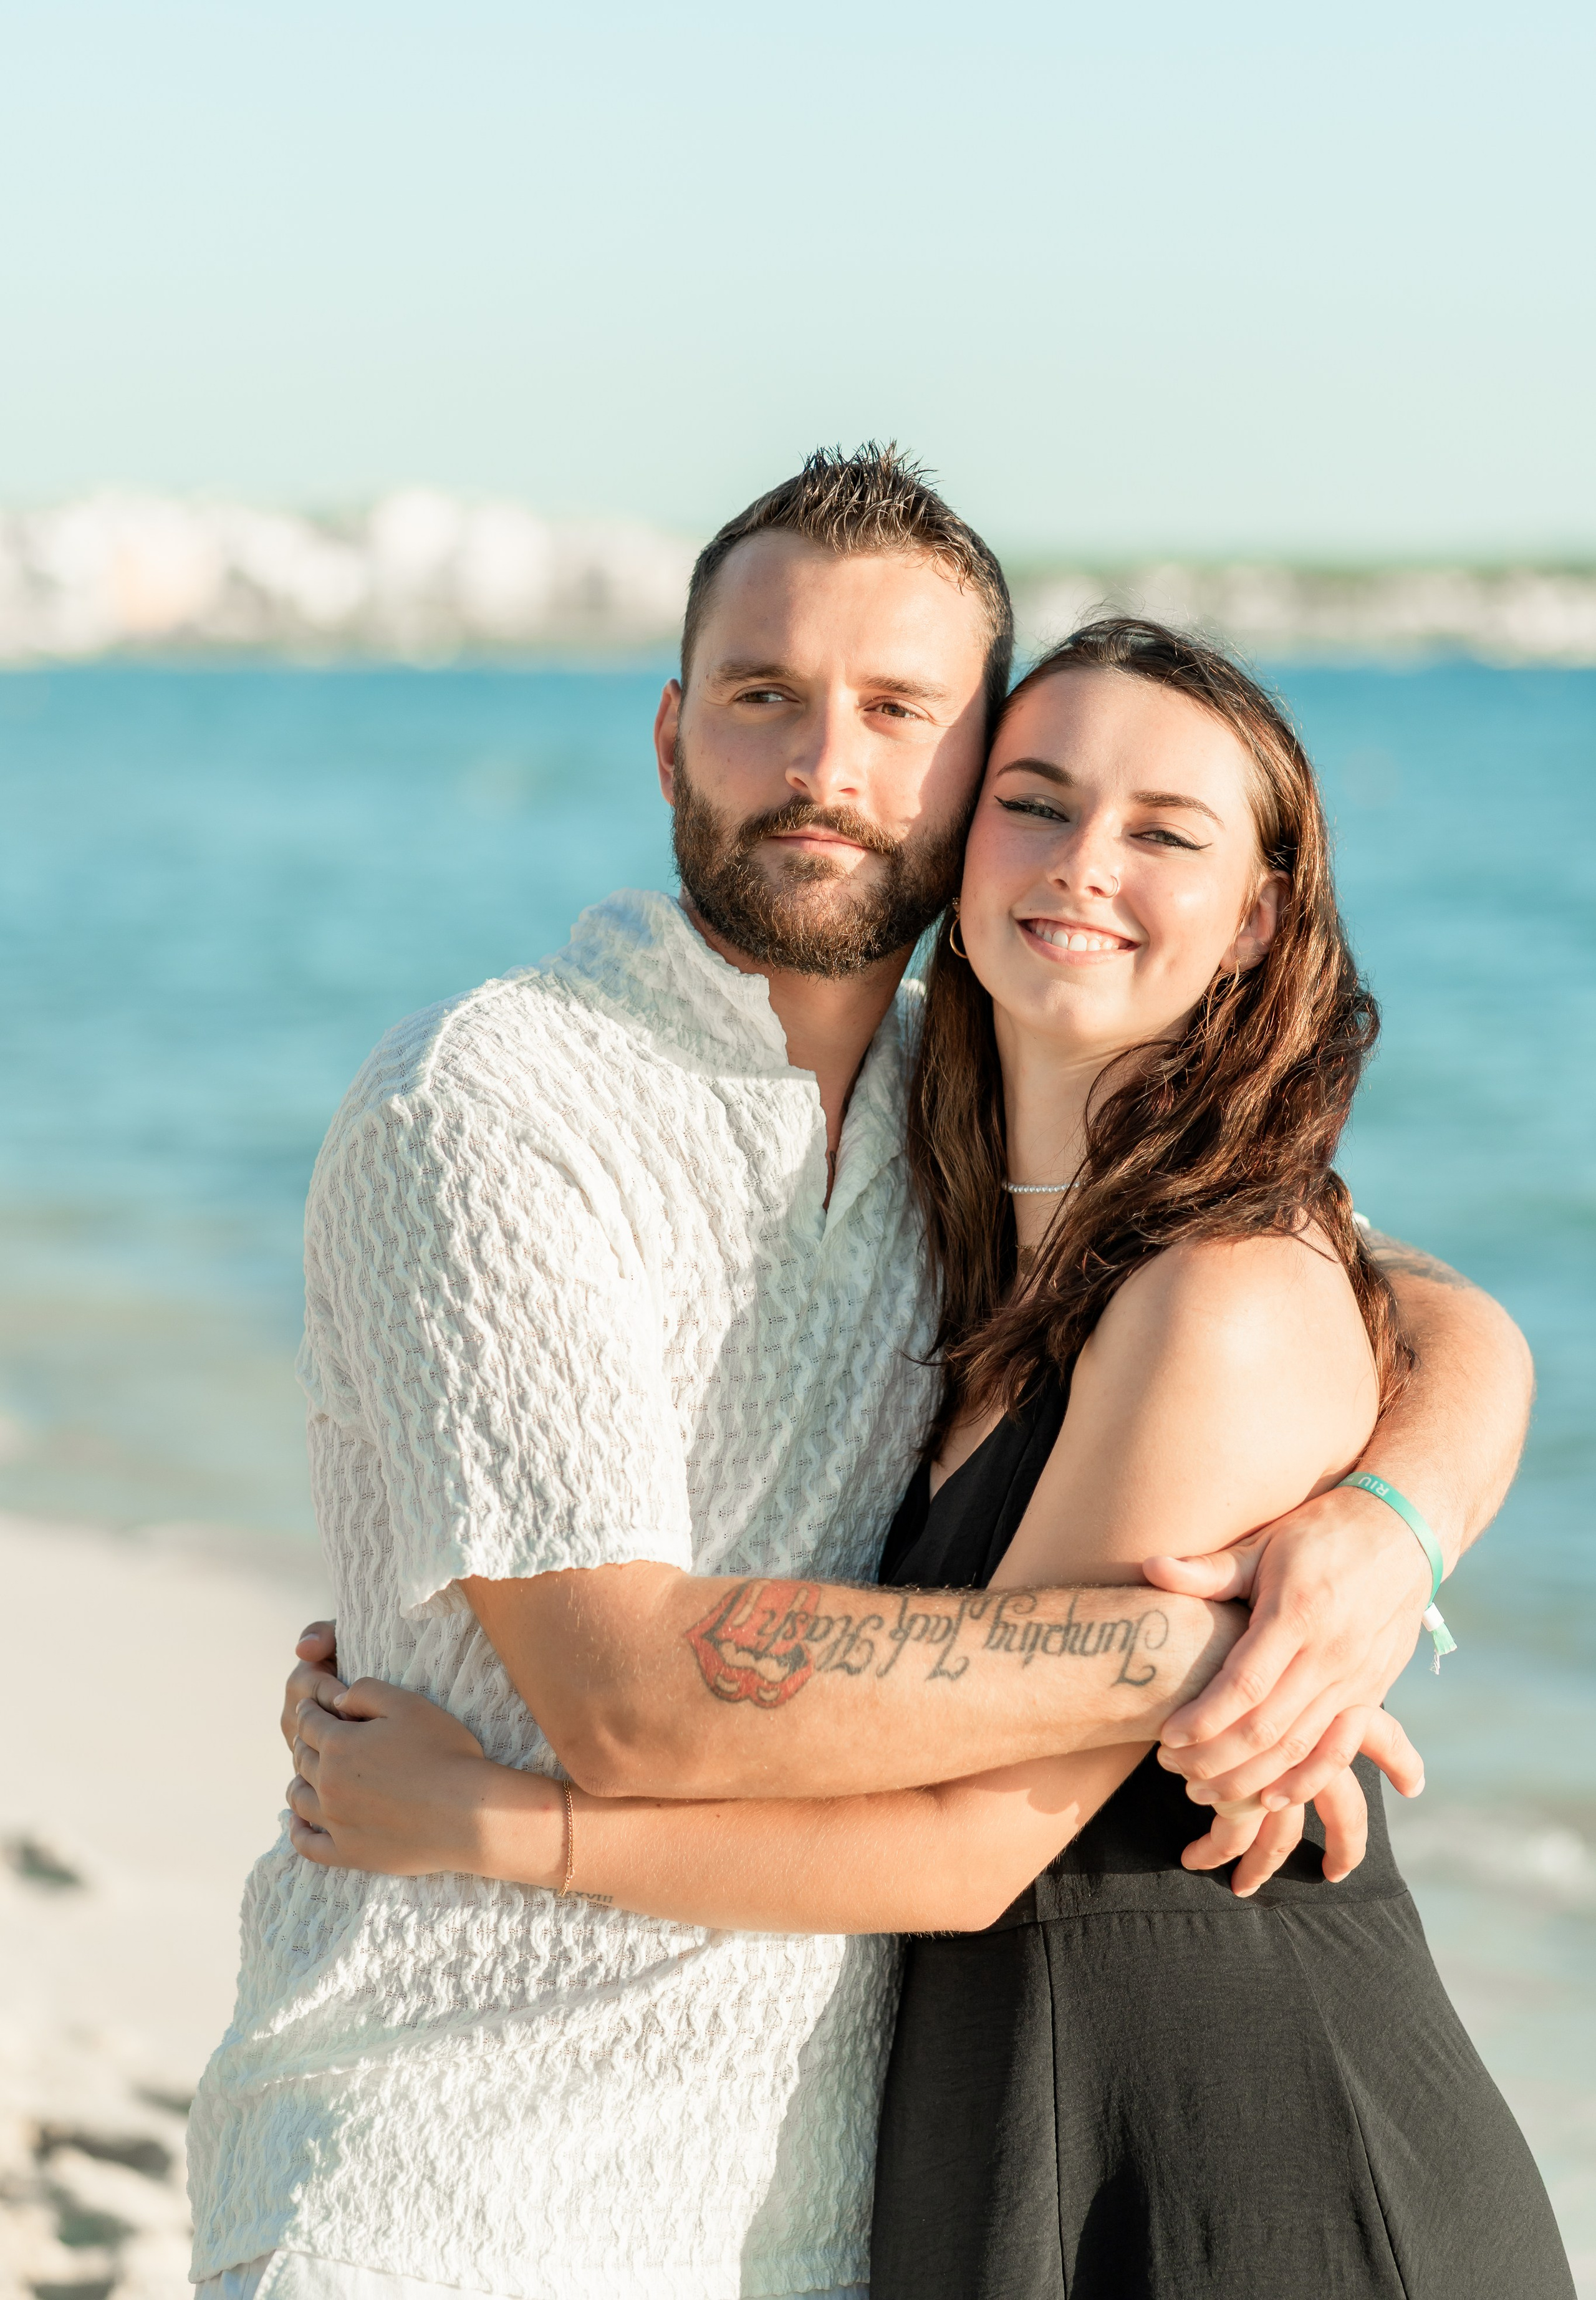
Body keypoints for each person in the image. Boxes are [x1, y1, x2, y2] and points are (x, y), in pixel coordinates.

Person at [191, 448, 1534, 2300]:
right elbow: (639, 1704)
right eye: (764, 696)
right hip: (449, 2167)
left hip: (859, 2190)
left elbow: (1413, 1302)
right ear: (670, 736)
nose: (827, 767)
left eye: (899, 712)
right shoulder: (499, 1106)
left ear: (961, 772)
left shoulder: (973, 1117)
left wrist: (1394, 1529)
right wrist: (1212, 1649)